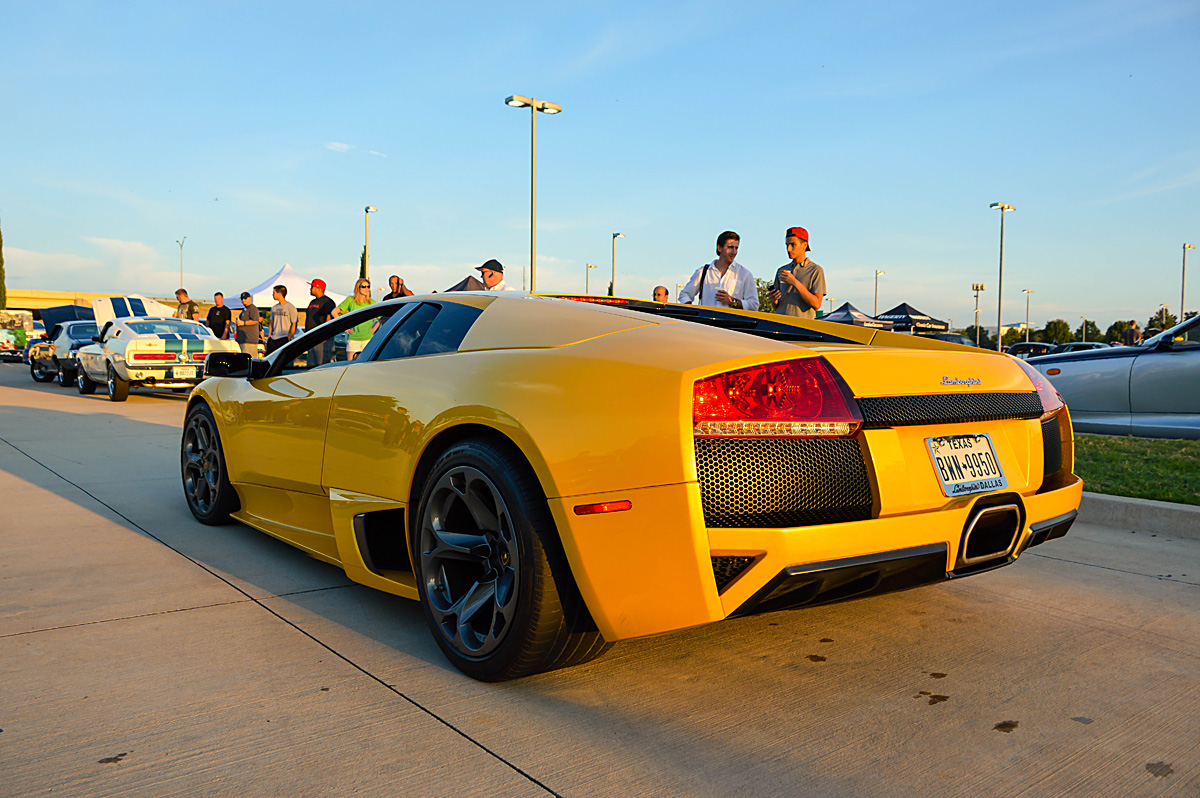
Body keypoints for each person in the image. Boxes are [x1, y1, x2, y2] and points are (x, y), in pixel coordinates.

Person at [679, 231, 758, 311]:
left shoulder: (744, 274)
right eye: (730, 247)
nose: (734, 252)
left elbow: (754, 305)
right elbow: (685, 295)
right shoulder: (703, 272)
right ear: (719, 248)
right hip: (706, 322)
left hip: (732, 323)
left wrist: (732, 301)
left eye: (736, 248)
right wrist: (691, 312)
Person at [769, 226, 826, 318]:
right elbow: (777, 307)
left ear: (804, 245)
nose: (788, 249)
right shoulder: (781, 270)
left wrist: (794, 282)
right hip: (780, 324)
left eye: (793, 245)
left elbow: (816, 304)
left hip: (802, 328)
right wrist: (773, 300)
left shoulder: (816, 270)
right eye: (787, 245)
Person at [333, 278, 376, 359]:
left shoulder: (372, 303)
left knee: (367, 365)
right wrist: (344, 328)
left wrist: (374, 329)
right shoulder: (350, 300)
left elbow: (380, 318)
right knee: (351, 365)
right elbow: (334, 312)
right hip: (353, 339)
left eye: (368, 286)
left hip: (368, 339)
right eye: (364, 286)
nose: (366, 289)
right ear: (358, 287)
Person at [305, 279, 337, 365]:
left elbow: (329, 319)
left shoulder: (327, 302)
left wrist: (325, 334)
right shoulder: (312, 302)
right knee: (311, 364)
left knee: (321, 363)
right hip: (311, 337)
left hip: (321, 339)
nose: (310, 289)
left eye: (312, 287)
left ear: (318, 289)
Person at [265, 285, 298, 355]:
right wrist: (269, 336)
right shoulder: (274, 308)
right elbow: (271, 323)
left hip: (284, 337)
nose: (272, 295)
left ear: (279, 294)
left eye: (274, 293)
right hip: (274, 338)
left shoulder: (290, 307)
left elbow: (294, 324)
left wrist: (289, 337)